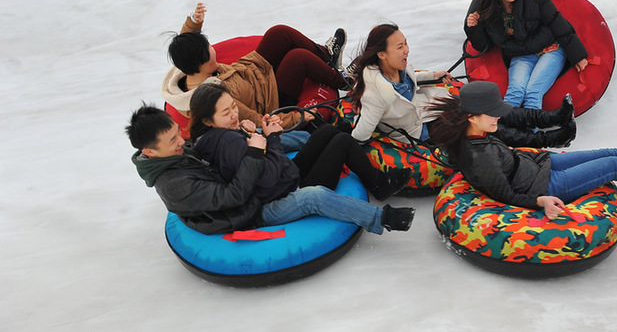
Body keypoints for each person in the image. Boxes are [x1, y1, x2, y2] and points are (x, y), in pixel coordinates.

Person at [429, 81, 617, 216]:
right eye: (493, 112)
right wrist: (540, 201)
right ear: (472, 116)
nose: (499, 116)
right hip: (544, 184)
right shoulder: (479, 157)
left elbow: (516, 142)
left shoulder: (480, 130)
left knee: (607, 153)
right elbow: (505, 194)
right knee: (613, 166)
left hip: (540, 166)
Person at [128, 105, 415, 236]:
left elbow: (235, 162)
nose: (181, 141)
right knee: (311, 196)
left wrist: (255, 138)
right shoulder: (174, 184)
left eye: (179, 133)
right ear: (150, 152)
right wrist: (259, 149)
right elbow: (234, 195)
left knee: (328, 137)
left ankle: (375, 179)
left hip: (258, 188)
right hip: (249, 213)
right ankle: (383, 218)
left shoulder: (187, 150)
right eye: (172, 141)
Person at [189, 83, 412, 201]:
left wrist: (246, 132)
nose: (234, 114)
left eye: (233, 107)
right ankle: (379, 184)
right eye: (226, 112)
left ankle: (335, 134)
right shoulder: (227, 142)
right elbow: (266, 177)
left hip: (285, 175)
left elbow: (250, 162)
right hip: (289, 189)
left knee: (326, 134)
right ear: (208, 120)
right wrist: (272, 137)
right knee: (343, 141)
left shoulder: (213, 137)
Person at [161, 3, 350, 141]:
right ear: (202, 62)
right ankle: (344, 81)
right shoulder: (214, 98)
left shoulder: (188, 69)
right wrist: (296, 117)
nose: (213, 49)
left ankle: (327, 55)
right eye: (209, 48)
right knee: (298, 58)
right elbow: (257, 121)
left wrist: (194, 23)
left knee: (278, 33)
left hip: (252, 69)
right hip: (269, 97)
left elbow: (186, 42)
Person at [464, 0, 588, 111]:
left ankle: (531, 134)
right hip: (521, 54)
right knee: (514, 94)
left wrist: (577, 54)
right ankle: (504, 133)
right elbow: (485, 46)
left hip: (550, 48)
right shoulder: (488, 9)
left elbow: (556, 21)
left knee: (533, 93)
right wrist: (473, 29)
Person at [349, 24, 453, 143]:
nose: (407, 50)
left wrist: (434, 76)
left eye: (405, 43)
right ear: (382, 54)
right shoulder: (375, 94)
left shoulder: (397, 69)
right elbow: (361, 136)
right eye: (400, 47)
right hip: (419, 133)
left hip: (427, 113)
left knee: (467, 109)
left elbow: (410, 79)